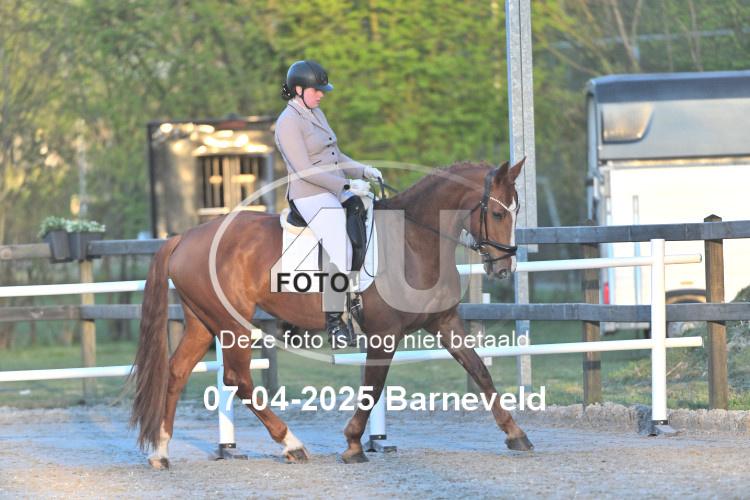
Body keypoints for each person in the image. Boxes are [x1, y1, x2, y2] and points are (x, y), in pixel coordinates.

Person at [274, 60, 381, 347]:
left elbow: (336, 155)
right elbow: (304, 169)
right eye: (316, 90)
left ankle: (363, 294)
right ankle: (335, 322)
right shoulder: (288, 122)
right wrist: (346, 186)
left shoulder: (316, 113)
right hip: (309, 194)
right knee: (340, 246)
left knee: (370, 211)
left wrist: (363, 170)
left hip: (332, 188)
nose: (321, 94)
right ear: (299, 90)